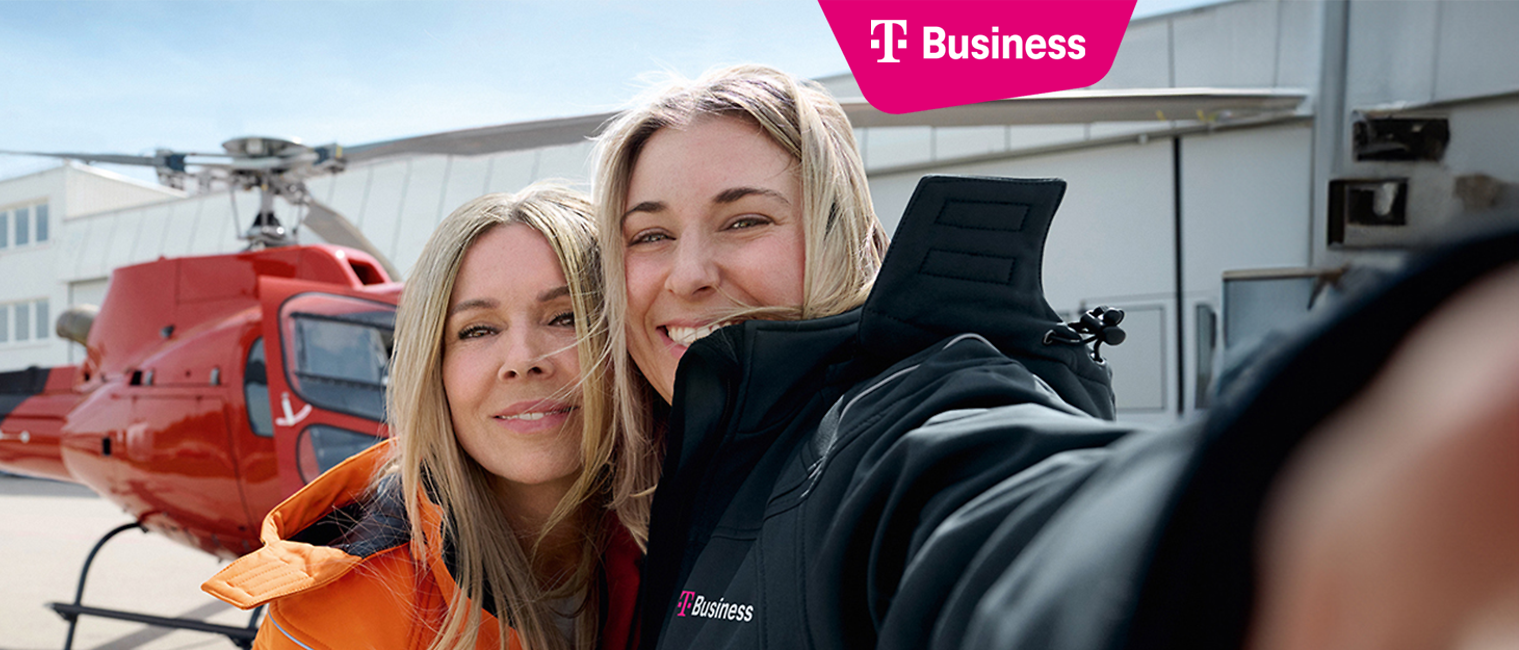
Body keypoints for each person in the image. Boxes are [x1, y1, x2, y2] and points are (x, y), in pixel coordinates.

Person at [593, 64, 1519, 649]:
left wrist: (1251, 533)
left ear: (842, 233)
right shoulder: (676, 468)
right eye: (647, 235)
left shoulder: (898, 415)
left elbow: (1006, 513)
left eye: (745, 220)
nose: (690, 274)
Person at [202, 183, 640, 650]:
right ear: (432, 370)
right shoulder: (334, 613)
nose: (522, 358)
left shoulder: (700, 541)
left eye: (566, 317)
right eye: (477, 330)